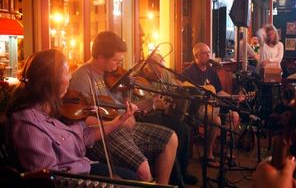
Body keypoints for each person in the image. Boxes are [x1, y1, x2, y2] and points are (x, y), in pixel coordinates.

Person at [5, 49, 137, 179]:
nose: (70, 76)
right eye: (66, 72)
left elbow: (84, 136)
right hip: (75, 179)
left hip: (84, 166)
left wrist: (119, 120)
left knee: (131, 176)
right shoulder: (29, 125)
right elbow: (50, 179)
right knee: (131, 179)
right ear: (51, 81)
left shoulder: (51, 110)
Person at [69, 31, 178, 184]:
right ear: (100, 58)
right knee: (144, 170)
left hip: (123, 126)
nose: (119, 65)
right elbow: (83, 119)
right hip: (103, 134)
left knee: (171, 139)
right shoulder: (81, 78)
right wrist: (118, 120)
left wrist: (145, 104)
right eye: (115, 61)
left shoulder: (112, 74)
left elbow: (120, 105)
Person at [134, 53, 198, 186]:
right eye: (157, 72)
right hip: (146, 118)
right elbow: (137, 109)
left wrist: (178, 91)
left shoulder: (164, 73)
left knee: (184, 129)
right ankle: (176, 178)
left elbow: (174, 85)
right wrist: (156, 105)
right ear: (147, 69)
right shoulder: (137, 80)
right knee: (170, 134)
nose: (161, 75)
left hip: (161, 115)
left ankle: (183, 172)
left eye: (162, 70)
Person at [181, 42, 240, 168]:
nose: (208, 55)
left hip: (213, 106)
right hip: (196, 109)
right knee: (216, 120)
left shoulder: (212, 71)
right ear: (196, 56)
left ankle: (220, 148)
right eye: (204, 53)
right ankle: (208, 155)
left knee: (234, 116)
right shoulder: (189, 72)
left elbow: (218, 92)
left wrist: (232, 97)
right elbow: (180, 86)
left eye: (209, 52)